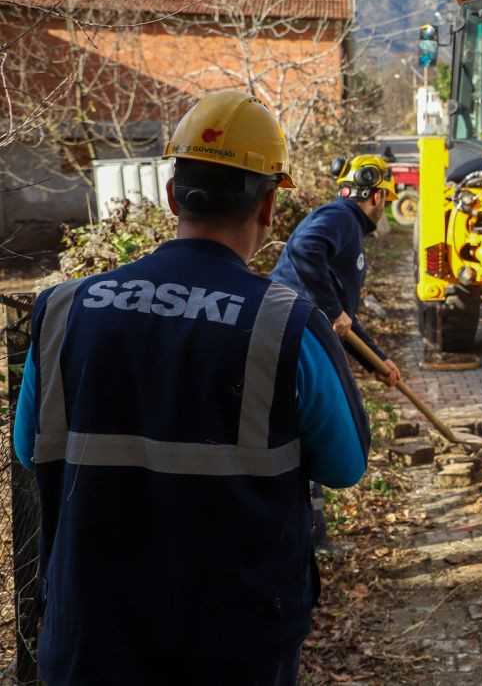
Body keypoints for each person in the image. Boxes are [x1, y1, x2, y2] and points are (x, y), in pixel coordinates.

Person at [13, 91, 370, 685]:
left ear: (173, 195)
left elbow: (30, 451)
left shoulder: (62, 311)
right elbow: (346, 465)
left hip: (87, 641)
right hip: (234, 648)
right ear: (270, 205)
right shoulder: (286, 325)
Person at [269, 154, 402, 388]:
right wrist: (333, 310)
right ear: (377, 196)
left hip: (298, 334)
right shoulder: (341, 217)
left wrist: (377, 361)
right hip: (294, 337)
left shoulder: (343, 221)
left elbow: (343, 319)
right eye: (386, 200)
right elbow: (305, 247)